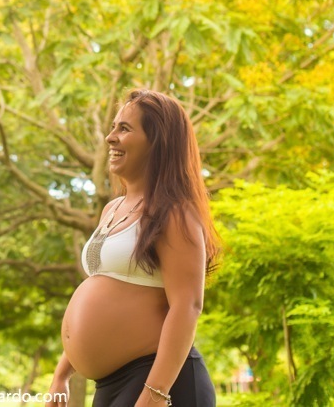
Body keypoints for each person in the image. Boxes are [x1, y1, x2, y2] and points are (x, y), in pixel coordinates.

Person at [47, 90, 220, 407]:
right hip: (110, 384)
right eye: (113, 127)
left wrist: (154, 395)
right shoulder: (112, 209)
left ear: (158, 142)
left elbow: (187, 306)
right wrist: (62, 374)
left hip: (159, 380)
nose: (110, 138)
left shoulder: (175, 213)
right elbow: (102, 291)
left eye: (124, 129)